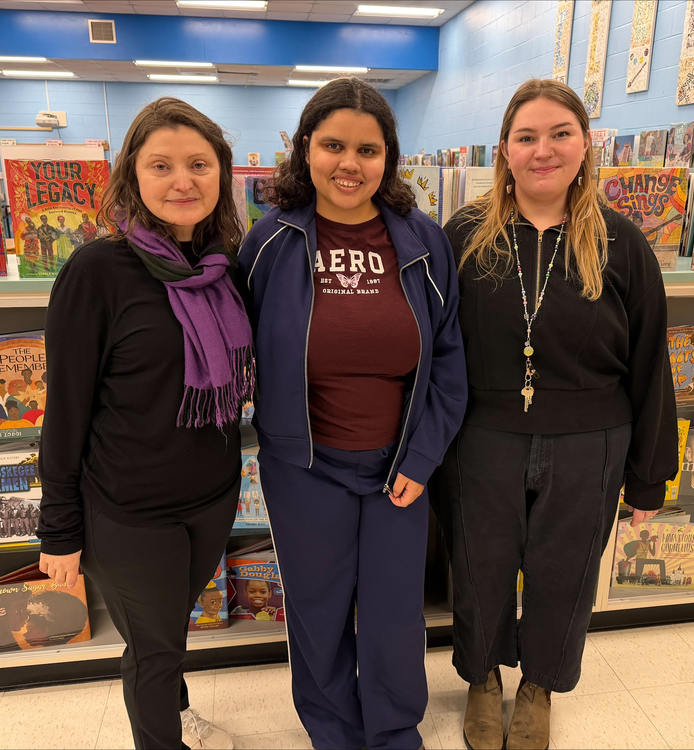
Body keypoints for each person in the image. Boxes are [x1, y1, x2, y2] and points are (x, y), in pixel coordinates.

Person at [430, 79, 678, 750]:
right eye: (527, 136)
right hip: (482, 436)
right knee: (479, 566)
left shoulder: (623, 243)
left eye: (560, 133)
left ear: (586, 143)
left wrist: (650, 475)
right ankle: (482, 678)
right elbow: (432, 348)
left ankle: (540, 684)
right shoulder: (463, 236)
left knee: (564, 571)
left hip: (590, 439)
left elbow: (651, 361)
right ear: (505, 151)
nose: (544, 150)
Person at [237, 77, 467, 750]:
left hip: (400, 467)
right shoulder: (269, 244)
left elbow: (450, 360)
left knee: (397, 615)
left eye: (368, 150)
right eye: (332, 144)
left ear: (388, 159)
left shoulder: (423, 242)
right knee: (317, 612)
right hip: (304, 467)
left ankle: (395, 732)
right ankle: (333, 732)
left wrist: (422, 458)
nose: (349, 163)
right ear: (304, 149)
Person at [37, 96, 252, 750]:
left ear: (221, 175)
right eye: (161, 165)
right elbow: (65, 412)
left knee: (169, 630)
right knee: (154, 651)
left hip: (211, 500)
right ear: (133, 176)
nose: (182, 180)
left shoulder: (227, 269)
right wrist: (60, 531)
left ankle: (177, 710)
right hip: (130, 513)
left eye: (198, 164)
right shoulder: (97, 272)